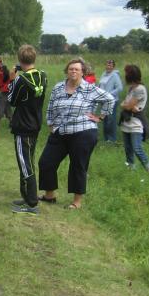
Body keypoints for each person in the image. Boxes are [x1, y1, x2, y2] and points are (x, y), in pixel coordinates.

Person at [38, 58, 115, 209]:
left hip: (83, 132)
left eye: (77, 69)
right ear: (67, 71)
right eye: (71, 69)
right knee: (46, 162)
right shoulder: (58, 87)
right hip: (60, 131)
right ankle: (49, 195)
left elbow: (110, 99)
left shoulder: (90, 89)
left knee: (78, 166)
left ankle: (76, 202)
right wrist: (51, 123)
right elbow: (51, 106)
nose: (73, 71)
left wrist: (100, 117)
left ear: (83, 72)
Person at [7, 45, 47, 214]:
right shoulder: (43, 76)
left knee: (25, 164)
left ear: (20, 60)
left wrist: (12, 80)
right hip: (35, 124)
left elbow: (12, 101)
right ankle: (26, 196)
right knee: (28, 161)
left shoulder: (21, 80)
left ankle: (32, 204)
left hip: (23, 126)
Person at [120, 64, 149, 172]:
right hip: (127, 121)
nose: (125, 75)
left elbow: (128, 106)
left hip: (136, 123)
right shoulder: (131, 88)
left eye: (126, 73)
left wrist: (126, 105)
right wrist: (127, 105)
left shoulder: (140, 89)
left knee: (137, 148)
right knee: (128, 148)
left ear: (131, 75)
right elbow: (126, 104)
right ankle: (131, 169)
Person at [97, 59, 123, 142]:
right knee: (105, 119)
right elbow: (100, 85)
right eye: (107, 65)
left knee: (111, 119)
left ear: (113, 67)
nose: (108, 67)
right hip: (103, 100)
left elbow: (120, 88)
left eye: (110, 65)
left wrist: (109, 94)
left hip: (112, 101)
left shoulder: (115, 75)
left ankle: (112, 138)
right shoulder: (103, 74)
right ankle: (106, 138)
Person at [0, 56, 13, 129]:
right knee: (7, 106)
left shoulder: (3, 69)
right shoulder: (1, 68)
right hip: (6, 90)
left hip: (4, 90)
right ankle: (11, 122)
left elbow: (7, 79)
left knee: (0, 106)